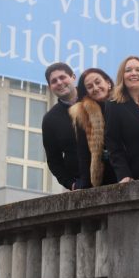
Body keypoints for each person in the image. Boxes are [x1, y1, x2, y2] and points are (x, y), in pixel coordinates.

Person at [105, 56, 139, 183]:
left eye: (138, 70)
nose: (134, 73)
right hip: (135, 174)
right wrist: (124, 174)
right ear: (122, 76)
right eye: (128, 70)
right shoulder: (114, 105)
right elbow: (113, 144)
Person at [68, 68, 117, 188]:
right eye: (89, 87)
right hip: (104, 176)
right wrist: (84, 185)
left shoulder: (123, 102)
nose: (95, 88)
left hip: (130, 170)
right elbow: (83, 152)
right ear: (86, 93)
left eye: (98, 82)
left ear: (108, 83)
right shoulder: (83, 112)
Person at [41, 62, 81, 190]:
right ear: (50, 87)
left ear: (73, 77)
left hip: (113, 177)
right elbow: (54, 160)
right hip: (82, 184)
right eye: (54, 81)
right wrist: (71, 184)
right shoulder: (50, 120)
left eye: (62, 77)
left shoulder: (95, 98)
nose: (59, 82)